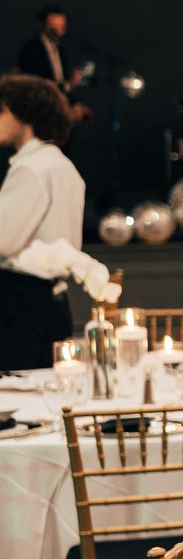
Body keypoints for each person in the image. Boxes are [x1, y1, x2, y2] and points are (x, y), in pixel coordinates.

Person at [0, 75, 87, 369]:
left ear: (25, 115)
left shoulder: (31, 169)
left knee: (13, 394)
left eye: (2, 111)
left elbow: (3, 241)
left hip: (21, 300)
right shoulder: (63, 165)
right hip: (55, 300)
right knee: (48, 391)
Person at [13, 5, 72, 90]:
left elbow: (62, 85)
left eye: (62, 27)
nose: (59, 32)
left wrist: (71, 85)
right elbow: (35, 85)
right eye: (54, 28)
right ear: (41, 25)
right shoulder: (32, 50)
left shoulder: (61, 52)